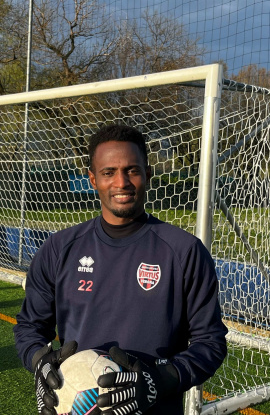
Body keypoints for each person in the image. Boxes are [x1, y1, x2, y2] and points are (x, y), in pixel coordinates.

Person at [14, 123, 227, 415]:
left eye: (132, 170)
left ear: (148, 175)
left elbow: (210, 342)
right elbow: (30, 326)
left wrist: (160, 380)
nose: (121, 182)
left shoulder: (184, 251)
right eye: (108, 172)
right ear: (92, 179)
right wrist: (39, 361)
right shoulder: (58, 248)